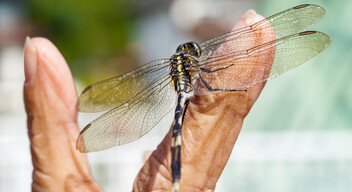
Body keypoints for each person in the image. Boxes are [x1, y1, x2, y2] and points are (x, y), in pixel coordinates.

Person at [23, 10, 271, 191]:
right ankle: (175, 182)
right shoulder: (192, 64)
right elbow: (205, 81)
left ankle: (173, 181)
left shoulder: (176, 64)